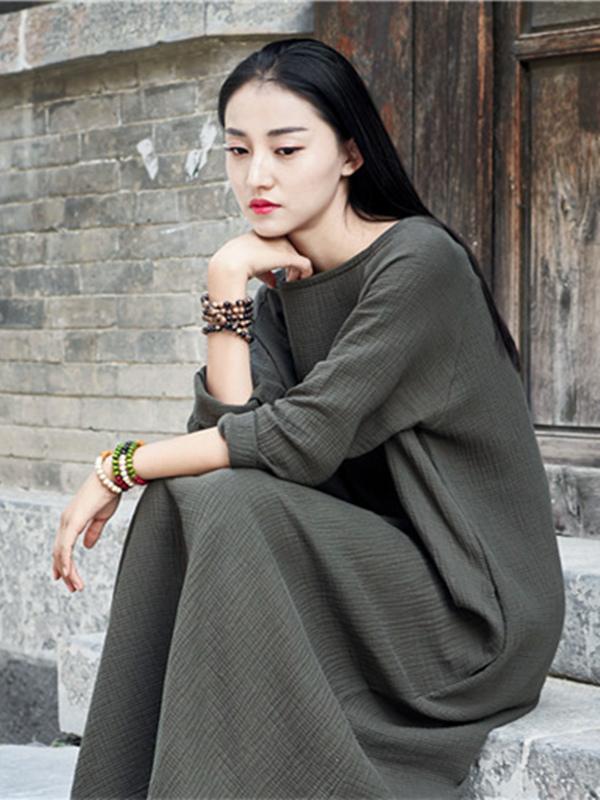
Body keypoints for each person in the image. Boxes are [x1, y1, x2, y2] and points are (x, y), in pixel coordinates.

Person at [60, 38, 566, 800]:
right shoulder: (278, 291)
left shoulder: (419, 263)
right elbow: (228, 434)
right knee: (184, 496)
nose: (257, 176)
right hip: (362, 572)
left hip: (469, 610)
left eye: (287, 148)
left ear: (351, 154)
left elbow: (300, 440)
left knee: (207, 493)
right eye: (238, 150)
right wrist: (226, 283)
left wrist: (119, 466)